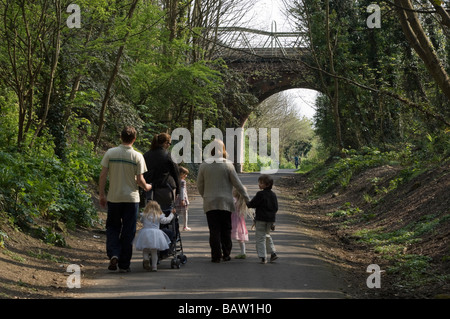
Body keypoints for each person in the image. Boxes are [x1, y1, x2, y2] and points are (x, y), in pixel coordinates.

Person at [99, 126, 152, 272]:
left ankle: (114, 253)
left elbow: (103, 175)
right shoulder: (137, 156)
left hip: (114, 198)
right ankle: (124, 264)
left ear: (120, 137)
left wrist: (102, 194)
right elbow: (140, 180)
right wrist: (147, 187)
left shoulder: (110, 153)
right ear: (134, 139)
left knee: (112, 227)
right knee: (129, 230)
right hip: (131, 199)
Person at [197, 139, 250, 263]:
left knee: (214, 229)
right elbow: (238, 184)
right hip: (226, 202)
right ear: (223, 150)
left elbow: (200, 184)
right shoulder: (227, 165)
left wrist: (205, 195)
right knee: (226, 228)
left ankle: (215, 256)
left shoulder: (204, 165)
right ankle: (226, 254)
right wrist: (247, 198)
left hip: (210, 202)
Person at [143, 133, 180, 212]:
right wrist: (178, 192)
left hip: (149, 191)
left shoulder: (146, 155)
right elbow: (176, 174)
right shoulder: (169, 155)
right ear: (165, 143)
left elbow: (142, 173)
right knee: (166, 214)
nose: (169, 145)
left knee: (152, 216)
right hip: (165, 191)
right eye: (169, 143)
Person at [247, 174, 278, 264]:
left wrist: (247, 202)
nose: (259, 185)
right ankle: (273, 253)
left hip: (261, 219)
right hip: (270, 220)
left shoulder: (260, 194)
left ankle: (263, 257)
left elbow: (252, 204)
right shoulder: (273, 195)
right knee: (267, 235)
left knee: (260, 237)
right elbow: (276, 208)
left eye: (261, 183)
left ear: (267, 185)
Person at [134, 200, 174, 272]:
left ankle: (146, 259)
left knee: (145, 250)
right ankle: (154, 267)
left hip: (145, 233)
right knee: (154, 251)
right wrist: (172, 214)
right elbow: (166, 220)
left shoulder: (144, 215)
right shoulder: (158, 215)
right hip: (155, 234)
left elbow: (141, 220)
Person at [231, 187, 251, 259]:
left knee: (227, 234)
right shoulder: (242, 201)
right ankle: (243, 252)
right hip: (240, 221)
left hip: (232, 220)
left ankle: (224, 250)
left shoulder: (233, 200)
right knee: (240, 238)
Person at [175, 166, 191, 231]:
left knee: (177, 213)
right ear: (181, 174)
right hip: (183, 199)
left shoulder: (176, 180)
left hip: (176, 200)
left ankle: (176, 226)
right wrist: (182, 199)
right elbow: (182, 190)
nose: (186, 176)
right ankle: (185, 226)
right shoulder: (182, 182)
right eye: (185, 174)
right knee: (185, 213)